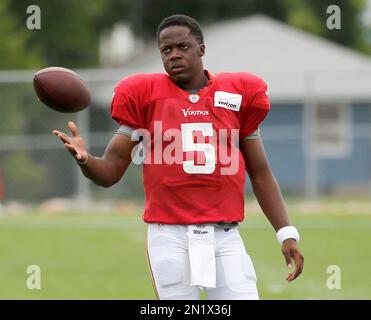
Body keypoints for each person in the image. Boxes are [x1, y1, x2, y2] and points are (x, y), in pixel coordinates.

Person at [53, 14, 304, 300]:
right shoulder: (144, 95)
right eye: (166, 50)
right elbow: (109, 171)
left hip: (224, 235)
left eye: (182, 47)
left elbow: (260, 174)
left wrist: (286, 232)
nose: (174, 55)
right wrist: (85, 160)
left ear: (201, 49)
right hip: (169, 235)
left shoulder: (235, 95)